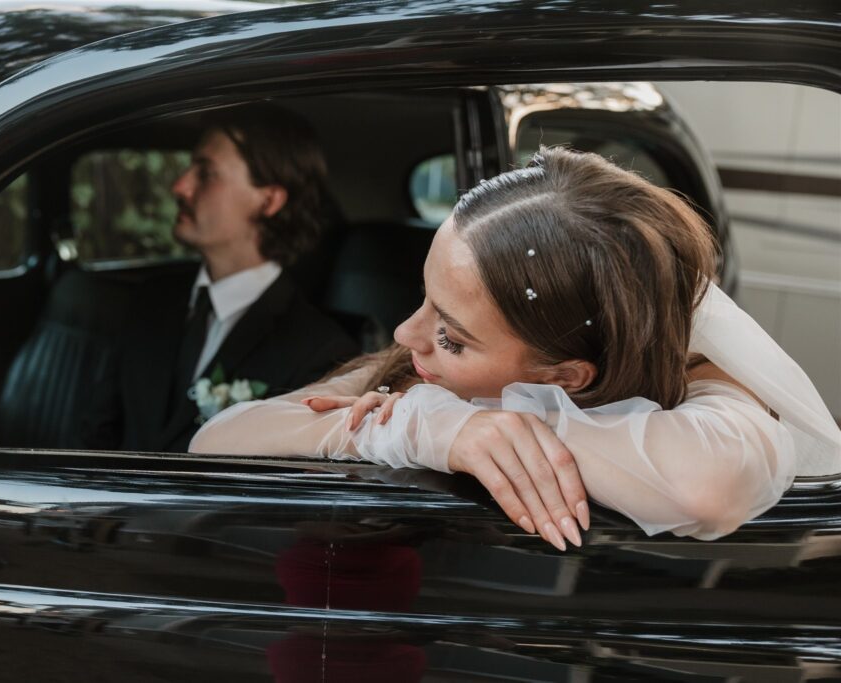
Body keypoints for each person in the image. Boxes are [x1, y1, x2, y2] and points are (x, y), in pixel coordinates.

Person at [190, 146, 841, 548]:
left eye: (450, 334)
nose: (404, 335)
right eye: (423, 297)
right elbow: (212, 441)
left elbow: (709, 486)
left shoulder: (715, 382)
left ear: (566, 373)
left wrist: (498, 424)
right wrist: (423, 426)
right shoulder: (420, 382)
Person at [81, 105, 358, 452]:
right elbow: (98, 431)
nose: (180, 186)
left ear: (268, 200)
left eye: (206, 172)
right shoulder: (149, 299)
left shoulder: (319, 351)